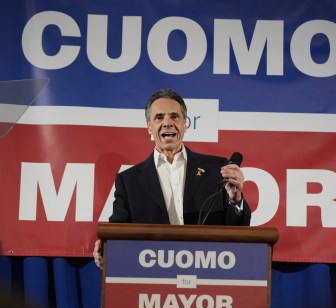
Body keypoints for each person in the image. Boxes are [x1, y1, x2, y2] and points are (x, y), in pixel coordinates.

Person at [93, 89, 251, 268]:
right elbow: (119, 229)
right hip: (153, 274)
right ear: (149, 127)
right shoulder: (129, 181)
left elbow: (238, 228)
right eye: (159, 117)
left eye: (174, 117)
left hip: (208, 269)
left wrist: (235, 200)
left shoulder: (217, 169)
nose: (167, 123)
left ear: (185, 124)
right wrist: (107, 244)